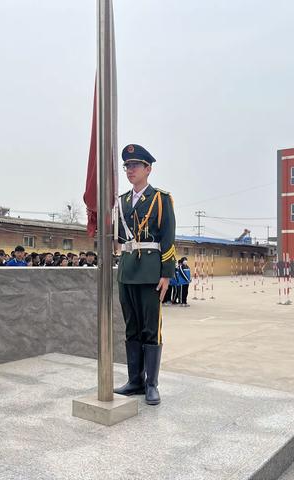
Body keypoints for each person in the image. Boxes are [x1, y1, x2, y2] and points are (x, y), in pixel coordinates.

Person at [114, 144, 176, 406]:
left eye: (135, 166)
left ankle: (152, 384)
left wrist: (166, 274)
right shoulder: (120, 201)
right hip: (127, 270)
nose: (130, 170)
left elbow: (168, 238)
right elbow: (118, 236)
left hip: (151, 272)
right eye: (127, 166)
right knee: (132, 328)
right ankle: (135, 381)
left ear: (148, 169)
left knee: (151, 329)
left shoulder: (161, 198)